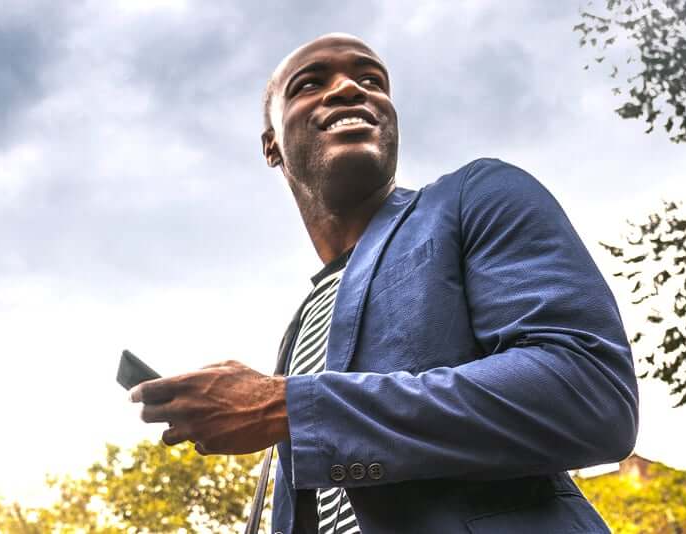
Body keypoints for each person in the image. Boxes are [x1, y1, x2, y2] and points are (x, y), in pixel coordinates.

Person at [131, 33, 639, 533]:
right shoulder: (302, 325)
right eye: (310, 83)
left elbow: (589, 393)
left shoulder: (476, 196)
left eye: (372, 79)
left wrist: (288, 405)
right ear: (271, 146)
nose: (351, 88)